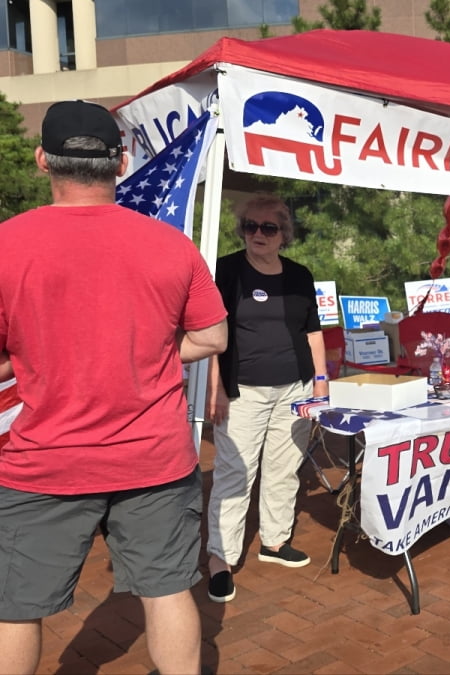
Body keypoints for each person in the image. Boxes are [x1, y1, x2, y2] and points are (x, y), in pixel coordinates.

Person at [0, 100, 228, 675]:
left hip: (43, 462)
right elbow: (213, 336)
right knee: (170, 591)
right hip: (154, 457)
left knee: (15, 609)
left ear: (40, 161)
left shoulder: (6, 245)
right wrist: (148, 352)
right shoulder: (170, 244)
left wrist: (33, 359)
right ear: (120, 161)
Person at [205, 194, 328, 603]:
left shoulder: (299, 275)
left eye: (268, 227)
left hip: (294, 388)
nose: (257, 234)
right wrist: (215, 388)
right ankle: (221, 559)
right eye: (250, 227)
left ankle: (274, 542)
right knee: (234, 475)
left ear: (283, 235)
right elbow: (210, 335)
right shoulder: (224, 272)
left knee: (283, 468)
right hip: (243, 391)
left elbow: (312, 332)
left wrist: (322, 383)